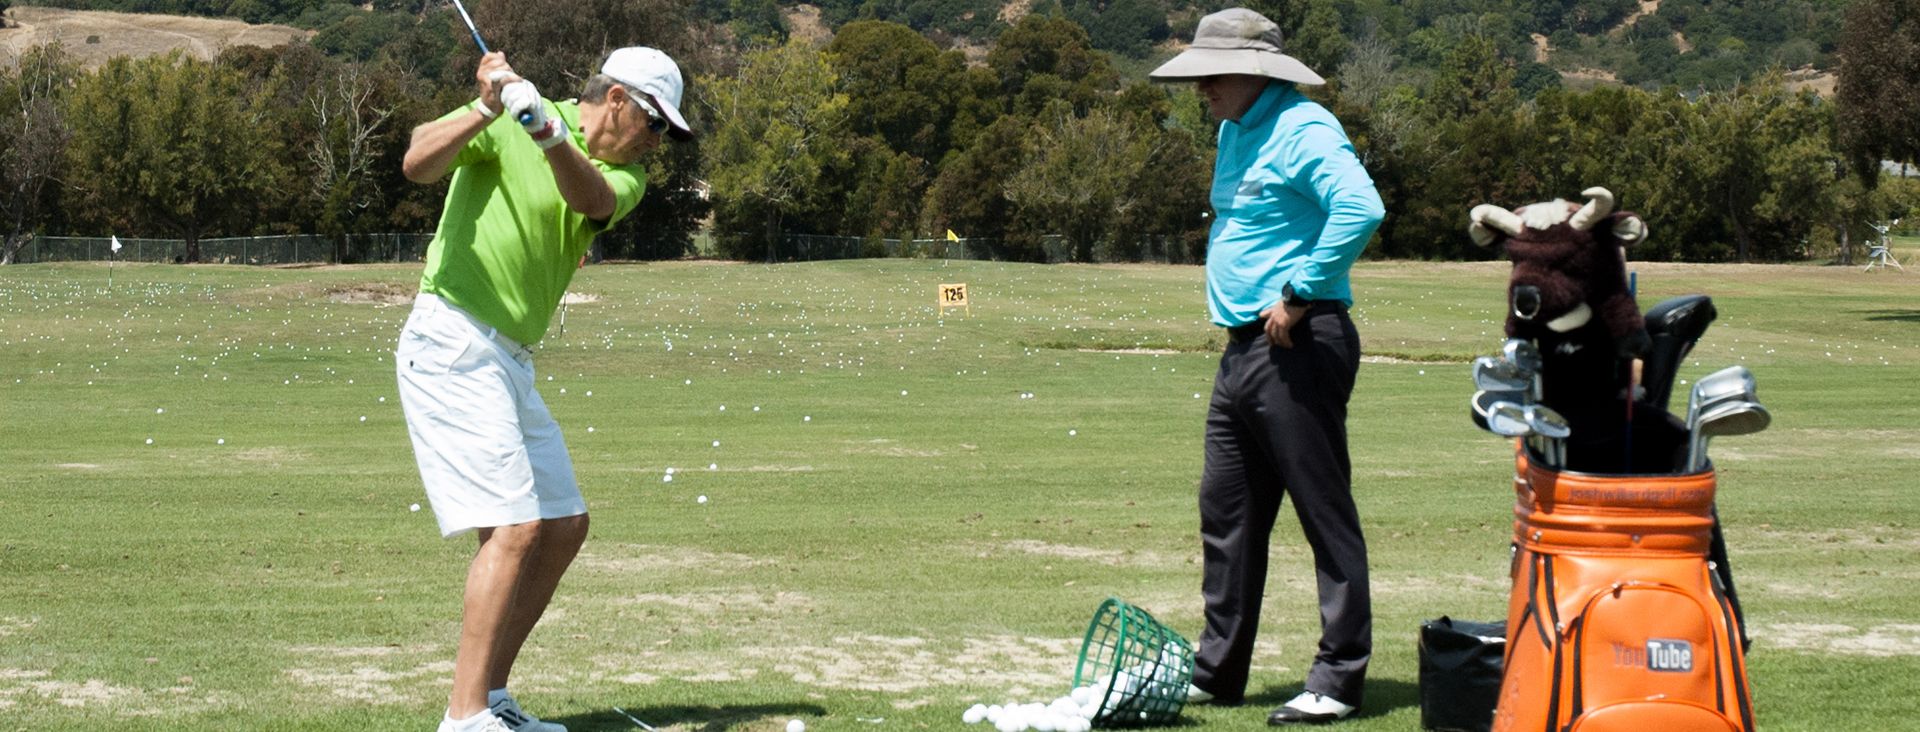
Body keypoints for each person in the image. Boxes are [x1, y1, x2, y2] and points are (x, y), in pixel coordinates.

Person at [396, 46, 694, 732]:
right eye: (655, 125)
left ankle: (492, 697)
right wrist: (484, 107)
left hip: (511, 359)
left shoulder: (621, 178)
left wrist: (545, 131)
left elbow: (586, 198)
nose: (657, 144)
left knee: (562, 524)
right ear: (617, 98)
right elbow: (417, 162)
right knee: (515, 525)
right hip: (453, 339)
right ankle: (464, 718)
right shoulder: (505, 118)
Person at [1149, 8, 1385, 725]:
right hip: (1242, 349)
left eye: (1211, 74)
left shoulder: (1304, 127)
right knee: (1226, 513)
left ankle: (1338, 679)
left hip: (1298, 343)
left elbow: (1360, 207)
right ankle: (1218, 671)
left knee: (1323, 514)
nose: (1200, 89)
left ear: (1253, 72)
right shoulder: (1233, 131)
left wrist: (1301, 291)